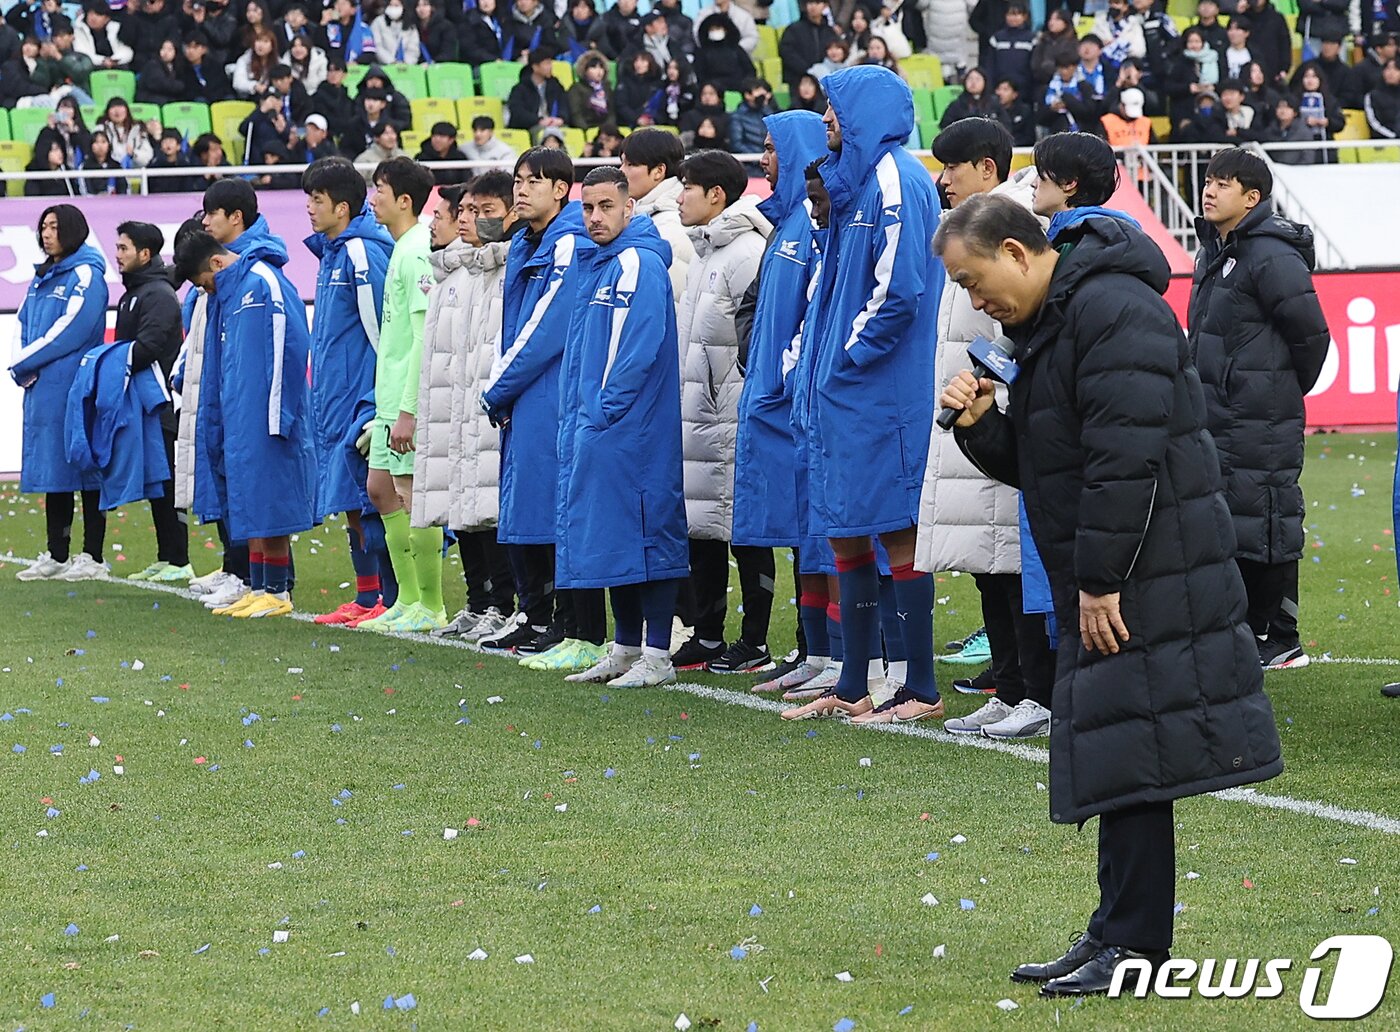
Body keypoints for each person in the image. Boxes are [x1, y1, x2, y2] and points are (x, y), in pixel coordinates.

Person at [937, 191, 1283, 998]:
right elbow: (1051, 463)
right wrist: (985, 423)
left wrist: (1099, 582)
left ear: (1018, 253)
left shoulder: (1113, 310)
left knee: (1135, 748)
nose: (972, 298)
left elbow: (1123, 466)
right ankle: (1117, 930)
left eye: (974, 277)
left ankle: (1133, 942)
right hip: (1122, 568)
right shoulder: (1059, 320)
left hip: (1145, 571)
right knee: (1122, 741)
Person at [781, 65, 943, 724]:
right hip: (846, 391)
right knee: (846, 529)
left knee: (897, 532)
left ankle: (922, 688)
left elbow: (899, 290)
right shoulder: (856, 186)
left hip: (879, 390)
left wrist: (846, 360)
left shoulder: (896, 179)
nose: (825, 124)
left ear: (864, 113)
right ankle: (854, 682)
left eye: (834, 112)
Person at [916, 117, 1053, 740]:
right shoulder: (963, 231)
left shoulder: (1011, 230)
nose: (943, 180)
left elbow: (1015, 327)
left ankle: (1036, 689)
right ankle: (1006, 683)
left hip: (1000, 415)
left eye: (953, 168)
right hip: (968, 417)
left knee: (1015, 560)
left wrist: (992, 389)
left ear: (988, 170)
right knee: (985, 561)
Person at [1189, 149, 1331, 671]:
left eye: (1223, 183)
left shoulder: (1271, 255)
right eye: (1207, 180)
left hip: (1259, 413)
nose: (1209, 190)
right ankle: (1244, 626)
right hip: (1218, 413)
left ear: (1252, 198)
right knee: (1232, 517)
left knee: (1267, 515)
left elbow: (1312, 336)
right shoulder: (1215, 251)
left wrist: (1279, 392)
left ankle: (1281, 634)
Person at [555, 167, 688, 687]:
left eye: (606, 206)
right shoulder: (601, 263)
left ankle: (658, 656)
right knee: (613, 536)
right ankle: (626, 647)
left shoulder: (637, 262)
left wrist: (604, 411)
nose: (594, 217)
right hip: (604, 426)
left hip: (633, 431)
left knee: (646, 533)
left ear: (630, 207)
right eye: (587, 208)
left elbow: (637, 344)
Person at [476, 147, 602, 664]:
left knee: (551, 505)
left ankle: (571, 624)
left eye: (535, 181)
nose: (521, 190)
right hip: (527, 391)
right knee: (525, 503)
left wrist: (497, 386)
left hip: (550, 389)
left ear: (561, 189)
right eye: (519, 180)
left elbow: (547, 326)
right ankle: (536, 614)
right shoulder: (530, 239)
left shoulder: (567, 240)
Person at [731, 112, 829, 691]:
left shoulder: (814, 224)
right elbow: (758, 309)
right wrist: (757, 361)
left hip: (792, 402)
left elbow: (808, 319)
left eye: (771, 150)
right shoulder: (788, 223)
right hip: (772, 399)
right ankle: (811, 649)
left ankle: (827, 649)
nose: (763, 161)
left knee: (816, 531)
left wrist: (781, 376)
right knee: (795, 530)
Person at [172, 221, 315, 619]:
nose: (205, 290)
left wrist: (279, 412)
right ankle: (258, 585)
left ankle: (278, 590)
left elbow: (292, 343)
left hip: (266, 414)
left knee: (271, 502)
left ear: (217, 262)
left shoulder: (263, 279)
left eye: (204, 281)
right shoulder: (226, 294)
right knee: (248, 500)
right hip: (237, 415)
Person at [670, 149, 773, 673]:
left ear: (716, 195)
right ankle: (707, 635)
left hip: (731, 414)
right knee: (703, 526)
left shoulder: (748, 251)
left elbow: (754, 338)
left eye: (687, 186)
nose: (678, 195)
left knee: (744, 529)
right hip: (699, 414)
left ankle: (754, 639)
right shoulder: (707, 252)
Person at [418, 171, 518, 643]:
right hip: (455, 404)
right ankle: (479, 602)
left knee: (490, 506)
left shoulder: (507, 267)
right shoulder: (457, 271)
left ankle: (504, 602)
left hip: (491, 405)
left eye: (481, 212)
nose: (467, 221)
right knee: (462, 506)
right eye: (464, 211)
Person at [349, 157, 446, 634]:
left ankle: (429, 604)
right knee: (380, 489)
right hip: (389, 398)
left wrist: (408, 409)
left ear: (404, 200)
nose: (372, 199)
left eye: (379, 189)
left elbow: (424, 336)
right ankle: (407, 599)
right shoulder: (401, 248)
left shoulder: (415, 252)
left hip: (406, 402)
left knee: (411, 497)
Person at [301, 156, 399, 628]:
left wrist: (384, 396)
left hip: (363, 395)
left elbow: (382, 329)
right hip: (335, 397)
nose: (309, 209)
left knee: (371, 500)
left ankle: (388, 595)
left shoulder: (361, 253)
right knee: (350, 502)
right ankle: (365, 597)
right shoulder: (334, 251)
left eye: (317, 201)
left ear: (342, 207)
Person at [10, 205, 110, 583]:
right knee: (55, 469)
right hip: (43, 387)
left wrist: (26, 363)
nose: (46, 233)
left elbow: (72, 328)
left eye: (54, 227)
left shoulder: (86, 273)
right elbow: (25, 324)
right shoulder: (42, 278)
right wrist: (28, 364)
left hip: (75, 386)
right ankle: (57, 553)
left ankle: (94, 556)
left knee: (85, 469)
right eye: (43, 227)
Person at [112, 221, 192, 583]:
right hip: (142, 401)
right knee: (157, 481)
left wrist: (114, 364)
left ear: (145, 254)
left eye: (124, 248)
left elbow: (149, 346)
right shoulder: (135, 292)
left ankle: (179, 559)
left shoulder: (157, 294)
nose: (118, 254)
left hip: (160, 401)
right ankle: (167, 556)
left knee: (168, 479)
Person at [619, 127, 695, 302]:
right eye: (622, 163)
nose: (621, 171)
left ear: (659, 171)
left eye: (630, 164)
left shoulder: (669, 225)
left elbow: (671, 301)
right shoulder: (650, 215)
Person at [507, 51, 568, 137]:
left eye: (550, 63)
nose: (550, 67)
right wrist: (538, 120)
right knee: (543, 134)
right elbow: (518, 112)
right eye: (546, 64)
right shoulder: (520, 88)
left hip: (553, 123)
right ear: (535, 67)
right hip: (531, 125)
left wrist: (561, 118)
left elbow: (564, 104)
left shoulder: (555, 85)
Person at [781, 0, 838, 87]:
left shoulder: (829, 31)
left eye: (817, 3)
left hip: (823, 79)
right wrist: (807, 69)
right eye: (810, 3)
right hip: (798, 80)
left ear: (825, 6)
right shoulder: (794, 29)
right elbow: (786, 51)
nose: (813, 6)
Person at [987, 1, 1034, 95]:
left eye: (1017, 15)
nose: (1013, 18)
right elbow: (990, 64)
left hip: (1024, 88)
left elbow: (1033, 65)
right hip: (999, 86)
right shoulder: (997, 38)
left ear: (1024, 17)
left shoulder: (1031, 38)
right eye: (1010, 14)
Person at [728, 76, 777, 156]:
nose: (763, 93)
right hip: (750, 163)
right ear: (747, 95)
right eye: (758, 90)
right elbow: (736, 144)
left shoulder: (769, 113)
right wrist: (759, 157)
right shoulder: (738, 117)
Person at [567, 51, 615, 130]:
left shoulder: (607, 88)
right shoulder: (576, 88)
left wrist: (607, 129)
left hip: (605, 128)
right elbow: (576, 113)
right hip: (586, 128)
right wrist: (586, 130)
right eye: (594, 67)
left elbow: (611, 113)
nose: (599, 71)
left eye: (601, 67)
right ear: (584, 70)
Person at [417, 121, 470, 186]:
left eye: (442, 136)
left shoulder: (460, 157)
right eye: (434, 135)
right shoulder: (421, 158)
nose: (437, 139)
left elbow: (467, 181)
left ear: (451, 140)